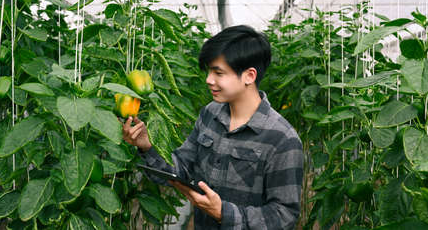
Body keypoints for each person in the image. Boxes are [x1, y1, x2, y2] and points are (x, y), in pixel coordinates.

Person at [122, 25, 303, 229]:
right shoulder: (210, 114)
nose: (209, 80)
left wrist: (223, 213)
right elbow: (183, 168)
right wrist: (147, 146)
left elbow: (284, 216)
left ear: (249, 76)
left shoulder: (281, 138)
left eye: (218, 73)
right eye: (209, 71)